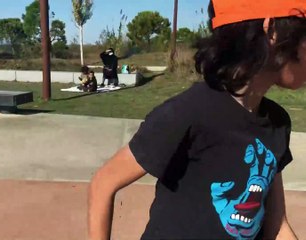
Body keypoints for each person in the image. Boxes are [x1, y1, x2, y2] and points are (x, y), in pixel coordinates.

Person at [88, 0, 304, 239]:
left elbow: (276, 226)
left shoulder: (277, 123)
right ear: (271, 30)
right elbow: (103, 184)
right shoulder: (190, 111)